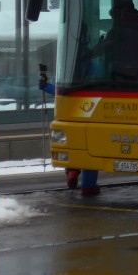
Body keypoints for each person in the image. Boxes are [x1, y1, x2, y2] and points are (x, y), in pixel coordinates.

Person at [38, 65, 101, 197]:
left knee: (73, 149)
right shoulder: (95, 69)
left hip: (69, 117)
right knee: (89, 155)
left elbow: (61, 90)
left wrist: (46, 86)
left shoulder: (69, 68)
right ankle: (87, 188)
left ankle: (72, 172)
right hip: (90, 114)